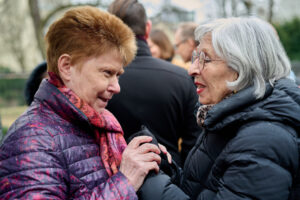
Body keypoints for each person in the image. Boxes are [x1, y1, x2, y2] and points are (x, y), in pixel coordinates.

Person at [0, 6, 164, 199]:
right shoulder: (30, 140)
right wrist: (125, 181)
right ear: (67, 67)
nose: (116, 87)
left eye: (118, 75)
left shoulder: (99, 122)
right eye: (107, 73)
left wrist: (144, 160)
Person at [137, 17, 300, 200]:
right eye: (195, 57)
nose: (192, 69)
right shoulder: (229, 118)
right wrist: (164, 166)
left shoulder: (262, 141)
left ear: (242, 66)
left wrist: (150, 181)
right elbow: (201, 187)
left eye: (205, 58)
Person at [107, 0, 201, 167]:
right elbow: (194, 145)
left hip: (111, 181)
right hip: (170, 178)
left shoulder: (97, 82)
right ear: (148, 28)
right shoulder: (182, 78)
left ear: (109, 29)